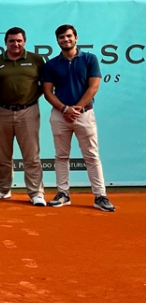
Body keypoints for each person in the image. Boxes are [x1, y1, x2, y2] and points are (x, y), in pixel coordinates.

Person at [41, 24, 116, 212]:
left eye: (68, 36)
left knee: (91, 156)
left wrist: (77, 108)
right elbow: (48, 92)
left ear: (76, 38)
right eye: (61, 38)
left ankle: (100, 196)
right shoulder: (51, 64)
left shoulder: (90, 59)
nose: (65, 40)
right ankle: (63, 194)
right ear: (57, 41)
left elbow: (94, 87)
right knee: (61, 156)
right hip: (60, 116)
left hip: (85, 115)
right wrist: (65, 109)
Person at [0, 27, 47, 206]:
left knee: (31, 155)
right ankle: (2, 189)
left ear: (25, 41)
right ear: (5, 42)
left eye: (19, 40)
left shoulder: (36, 60)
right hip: (1, 111)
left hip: (28, 111)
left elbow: (45, 84)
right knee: (2, 154)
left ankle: (36, 193)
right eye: (12, 41)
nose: (15, 44)